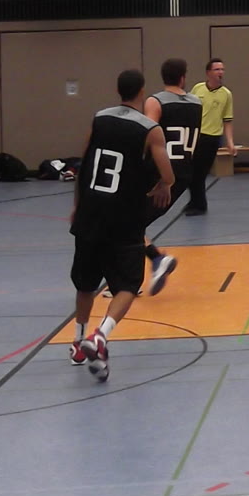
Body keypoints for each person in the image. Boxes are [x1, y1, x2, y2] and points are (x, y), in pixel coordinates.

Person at [68, 69, 176, 382]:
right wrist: (163, 185)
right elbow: (168, 174)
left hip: (90, 212)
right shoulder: (151, 129)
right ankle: (101, 335)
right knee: (128, 285)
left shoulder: (99, 118)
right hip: (123, 217)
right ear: (142, 92)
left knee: (85, 284)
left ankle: (78, 341)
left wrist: (77, 205)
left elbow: (84, 164)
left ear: (118, 90)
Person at [138, 58, 200, 295]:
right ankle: (147, 266)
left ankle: (153, 262)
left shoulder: (156, 101)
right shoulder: (196, 103)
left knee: (125, 224)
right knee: (132, 224)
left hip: (159, 173)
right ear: (183, 77)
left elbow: (148, 135)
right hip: (183, 173)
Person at [184, 58, 235, 215]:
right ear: (208, 73)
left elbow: (227, 120)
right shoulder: (198, 88)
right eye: (217, 69)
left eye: (222, 69)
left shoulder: (226, 94)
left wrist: (230, 142)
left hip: (212, 138)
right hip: (195, 136)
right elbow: (189, 109)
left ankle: (200, 205)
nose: (220, 72)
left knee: (200, 173)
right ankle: (194, 201)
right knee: (190, 172)